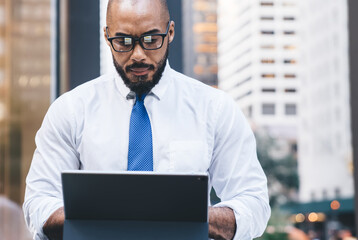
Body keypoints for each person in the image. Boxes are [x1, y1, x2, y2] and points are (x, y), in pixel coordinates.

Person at [23, 0, 270, 239]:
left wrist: (189, 218)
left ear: (170, 32)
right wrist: (99, 217)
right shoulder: (70, 111)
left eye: (151, 39)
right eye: (123, 41)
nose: (138, 55)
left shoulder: (216, 109)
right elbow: (38, 203)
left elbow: (254, 204)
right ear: (107, 36)